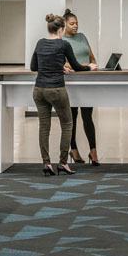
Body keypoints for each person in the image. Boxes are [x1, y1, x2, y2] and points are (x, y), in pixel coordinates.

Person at [30, 14, 82, 175]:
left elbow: (34, 67)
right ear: (61, 29)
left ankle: (46, 164)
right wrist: (91, 67)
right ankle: (63, 163)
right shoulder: (63, 44)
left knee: (44, 127)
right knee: (67, 124)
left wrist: (57, 66)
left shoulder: (40, 43)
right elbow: (77, 67)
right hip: (56, 90)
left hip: (39, 90)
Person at [63, 11, 102, 166]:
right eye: (72, 23)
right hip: (71, 83)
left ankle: (93, 151)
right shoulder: (62, 40)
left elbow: (91, 56)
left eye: (76, 23)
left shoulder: (82, 37)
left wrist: (93, 64)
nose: (75, 26)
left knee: (88, 117)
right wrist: (82, 67)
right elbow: (63, 63)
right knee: (71, 118)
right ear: (64, 24)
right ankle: (73, 149)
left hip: (87, 81)